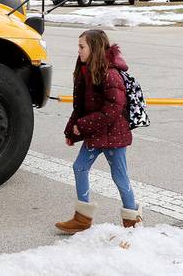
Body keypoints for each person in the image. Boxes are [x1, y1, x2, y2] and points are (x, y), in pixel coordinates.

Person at [55, 29, 141, 234]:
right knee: (79, 167)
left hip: (113, 135)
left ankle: (132, 220)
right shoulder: (86, 70)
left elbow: (112, 111)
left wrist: (82, 126)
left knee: (119, 175)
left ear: (94, 48)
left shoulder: (110, 74)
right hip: (96, 133)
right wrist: (72, 132)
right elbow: (81, 107)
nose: (78, 51)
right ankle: (82, 218)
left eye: (82, 47)